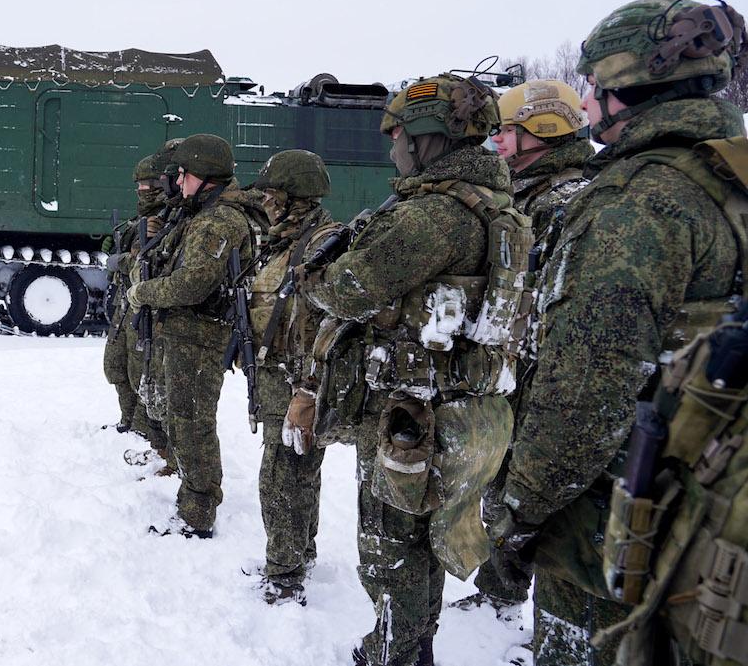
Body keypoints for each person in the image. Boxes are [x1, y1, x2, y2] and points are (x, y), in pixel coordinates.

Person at [490, 0, 745, 666]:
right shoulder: (729, 179)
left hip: (619, 526)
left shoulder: (636, 203)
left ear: (627, 85)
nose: (587, 102)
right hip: (715, 507)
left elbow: (584, 396)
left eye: (594, 85)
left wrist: (517, 512)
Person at [298, 74, 520, 666]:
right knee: (424, 538)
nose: (391, 146)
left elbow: (348, 290)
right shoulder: (493, 205)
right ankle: (413, 645)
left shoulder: (432, 217)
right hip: (460, 404)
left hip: (411, 413)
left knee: (391, 547)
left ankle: (394, 652)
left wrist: (314, 272)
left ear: (427, 138)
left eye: (397, 134)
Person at [451, 79, 594, 619]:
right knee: (503, 484)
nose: (496, 142)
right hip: (518, 366)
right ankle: (501, 590)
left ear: (543, 131)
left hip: (547, 375)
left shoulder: (563, 202)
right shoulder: (528, 194)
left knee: (532, 494)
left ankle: (516, 599)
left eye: (506, 131)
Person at [126, 134, 264, 538]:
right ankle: (191, 494)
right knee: (181, 419)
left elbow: (192, 284)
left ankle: (198, 512)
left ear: (205, 177)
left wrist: (142, 293)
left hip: (200, 336)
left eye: (184, 174)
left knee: (192, 424)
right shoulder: (201, 214)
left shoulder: (218, 221)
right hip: (186, 333)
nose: (177, 181)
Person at [244, 149, 339, 605]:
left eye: (271, 194)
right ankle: (300, 553)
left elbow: (326, 325)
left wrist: (308, 390)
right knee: (297, 470)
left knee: (282, 477)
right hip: (277, 375)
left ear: (293, 197)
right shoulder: (282, 241)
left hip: (299, 381)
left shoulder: (322, 245)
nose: (264, 201)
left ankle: (284, 575)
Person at [104, 153, 176, 474]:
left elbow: (148, 263)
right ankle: (129, 420)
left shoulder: (166, 220)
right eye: (139, 185)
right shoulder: (141, 220)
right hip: (126, 304)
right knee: (115, 366)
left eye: (148, 185)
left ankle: (146, 430)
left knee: (141, 373)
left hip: (146, 308)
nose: (142, 190)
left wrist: (123, 260)